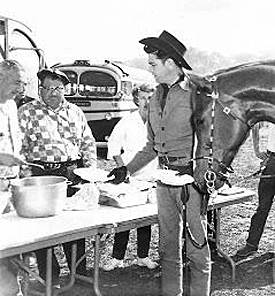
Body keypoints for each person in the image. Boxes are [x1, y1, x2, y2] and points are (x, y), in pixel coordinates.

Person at [107, 31, 211, 296]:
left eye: (153, 64)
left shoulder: (197, 95)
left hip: (190, 182)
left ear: (171, 63)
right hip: (163, 181)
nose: (149, 69)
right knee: (168, 247)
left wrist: (198, 175)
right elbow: (152, 146)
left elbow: (208, 143)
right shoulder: (154, 98)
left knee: (197, 247)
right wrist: (125, 169)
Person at [18, 68, 97, 284]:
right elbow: (19, 147)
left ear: (65, 90)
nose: (54, 93)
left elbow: (87, 142)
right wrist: (24, 173)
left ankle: (78, 273)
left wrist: (90, 172)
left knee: (75, 225)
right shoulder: (26, 112)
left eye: (58, 88)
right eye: (49, 88)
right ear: (40, 90)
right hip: (41, 175)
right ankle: (49, 277)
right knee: (45, 229)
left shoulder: (75, 111)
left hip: (72, 172)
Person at [103, 83, 158, 271]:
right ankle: (117, 258)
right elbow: (113, 145)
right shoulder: (127, 121)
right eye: (143, 98)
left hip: (151, 176)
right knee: (125, 219)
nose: (147, 102)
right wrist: (122, 170)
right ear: (136, 100)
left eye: (150, 97)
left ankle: (143, 256)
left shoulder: (158, 121)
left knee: (145, 220)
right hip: (129, 177)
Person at [0, 59, 29, 296]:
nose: (20, 89)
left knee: (12, 246)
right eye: (16, 82)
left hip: (10, 186)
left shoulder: (10, 106)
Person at [236, 122, 275, 257]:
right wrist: (257, 149)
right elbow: (255, 124)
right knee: (262, 207)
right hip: (271, 160)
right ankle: (251, 245)